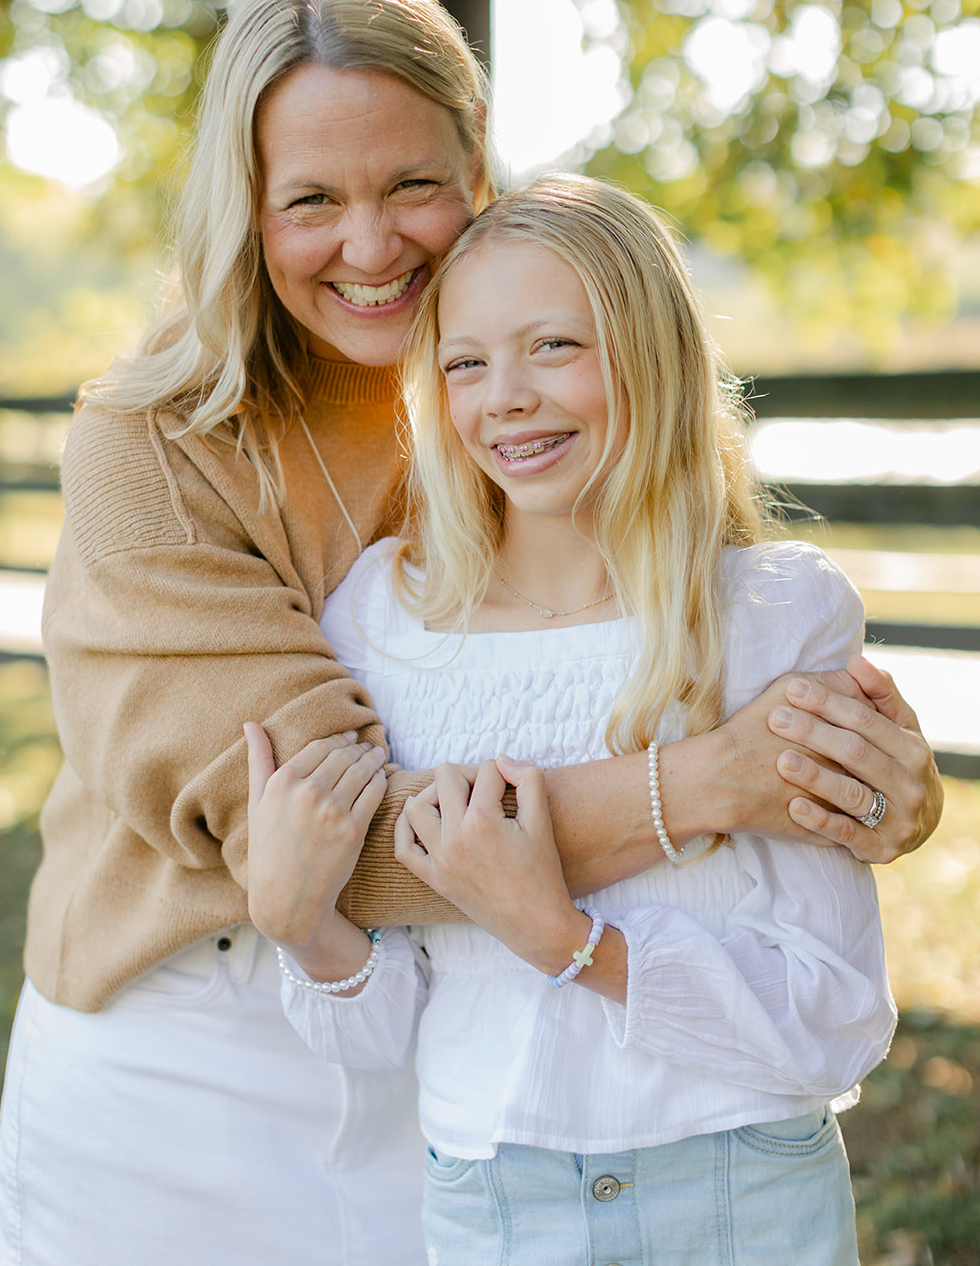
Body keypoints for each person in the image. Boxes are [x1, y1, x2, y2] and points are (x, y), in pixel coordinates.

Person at [0, 0, 937, 1266]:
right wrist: (716, 781)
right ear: (243, 208)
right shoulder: (150, 448)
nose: (369, 247)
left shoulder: (522, 397)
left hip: (459, 1074)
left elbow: (717, 645)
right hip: (186, 1059)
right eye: (309, 200)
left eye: (410, 187)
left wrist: (860, 781)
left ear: (473, 166)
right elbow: (350, 844)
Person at [250, 176, 899, 1266]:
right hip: (492, 1201)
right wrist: (301, 924)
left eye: (552, 346)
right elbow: (379, 1032)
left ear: (646, 353)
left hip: (739, 1185)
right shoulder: (384, 621)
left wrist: (569, 941)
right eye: (464, 362)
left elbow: (833, 1017)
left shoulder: (770, 614)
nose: (502, 396)